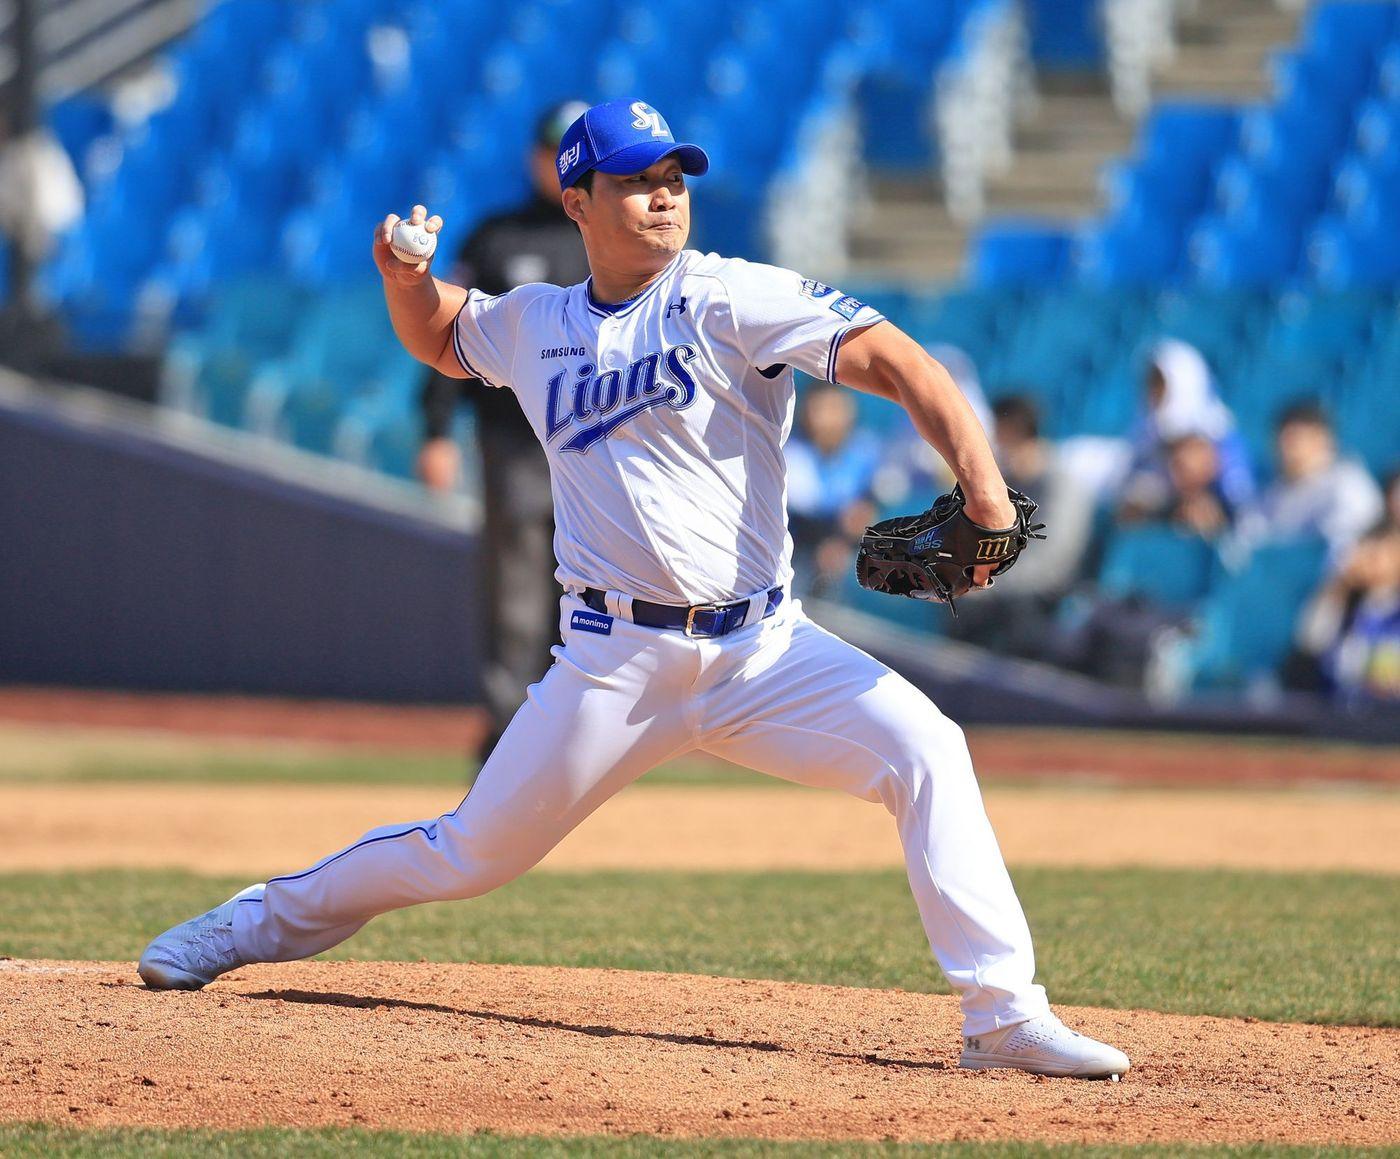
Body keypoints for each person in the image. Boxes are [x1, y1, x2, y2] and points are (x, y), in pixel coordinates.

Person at [138, 98, 1130, 1080]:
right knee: (469, 853)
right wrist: (405, 277)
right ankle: (249, 922)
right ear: (576, 203)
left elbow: (897, 360)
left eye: (671, 178)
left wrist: (984, 488)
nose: (662, 197)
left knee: (927, 749)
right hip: (612, 660)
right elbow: (441, 336)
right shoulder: (536, 323)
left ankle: (1001, 1018)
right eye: (634, 181)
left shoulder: (728, 297)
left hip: (763, 653)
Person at [417, 100, 593, 756]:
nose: (563, 163)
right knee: (515, 585)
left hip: (599, 445)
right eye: (554, 150)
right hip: (516, 441)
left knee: (595, 584)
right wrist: (436, 428)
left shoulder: (615, 235)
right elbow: (449, 333)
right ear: (535, 158)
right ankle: (508, 727)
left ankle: (581, 729)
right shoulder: (496, 237)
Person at [947, 395, 1095, 658]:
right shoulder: (1005, 479)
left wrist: (984, 584)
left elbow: (1050, 566)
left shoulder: (1061, 486)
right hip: (999, 590)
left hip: (1042, 600)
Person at [1233, 402, 1383, 563]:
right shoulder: (1274, 492)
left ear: (1323, 439)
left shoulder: (1351, 486)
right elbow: (1244, 539)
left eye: (1295, 439)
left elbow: (1343, 554)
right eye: (1283, 439)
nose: (1286, 448)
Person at [1122, 339, 1254, 514]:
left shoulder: (1224, 442)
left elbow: (1241, 505)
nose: (1154, 394)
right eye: (1152, 385)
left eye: (1160, 385)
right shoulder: (1147, 439)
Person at [784, 382, 880, 598]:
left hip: (846, 549)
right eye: (822, 410)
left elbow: (871, 500)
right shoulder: (791, 453)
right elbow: (805, 513)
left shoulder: (864, 449)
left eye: (836, 410)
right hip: (798, 550)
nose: (830, 420)